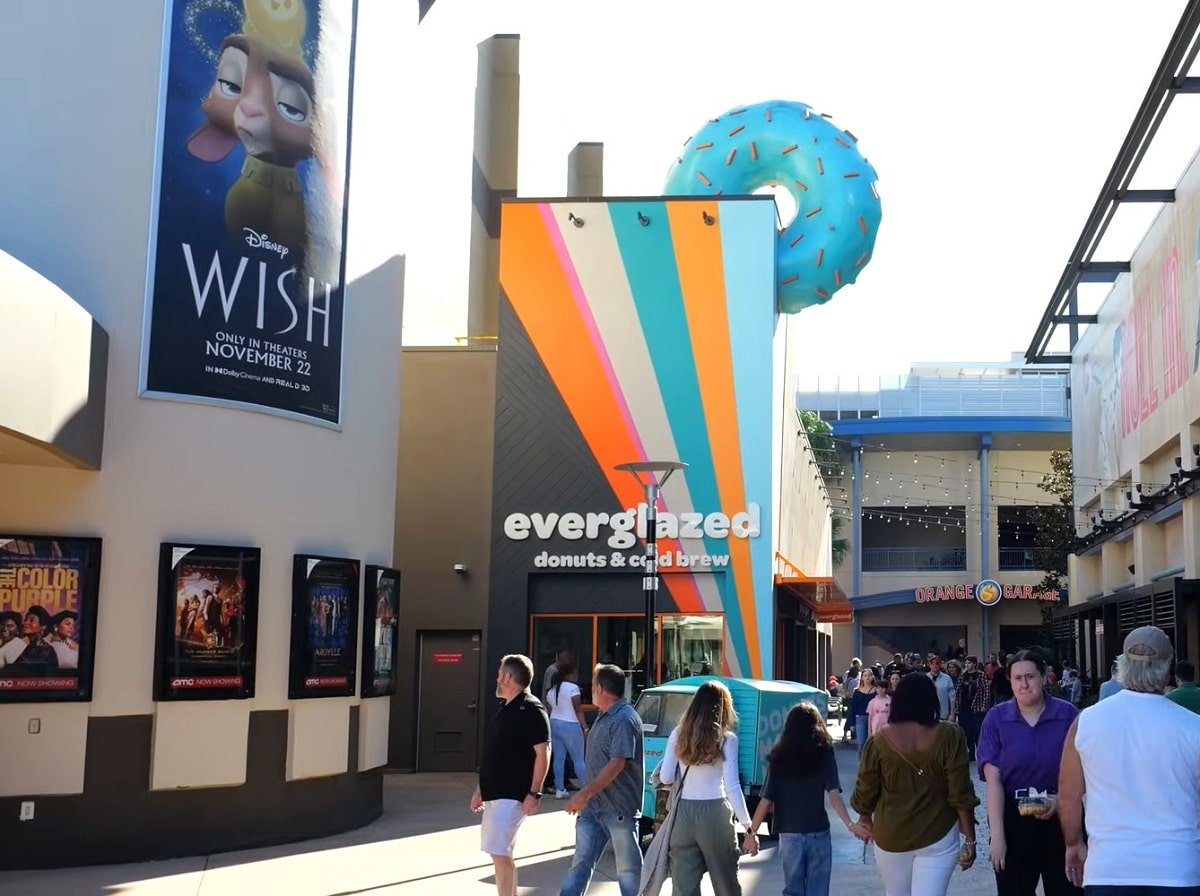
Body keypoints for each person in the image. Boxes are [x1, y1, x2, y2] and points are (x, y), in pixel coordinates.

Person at [1060, 626, 1200, 892]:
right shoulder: (1193, 726)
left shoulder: (1086, 721)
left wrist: (1073, 843)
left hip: (1109, 870)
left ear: (1122, 665)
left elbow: (1069, 797)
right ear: (1168, 667)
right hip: (1178, 867)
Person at [851, 673, 979, 896]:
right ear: (931, 700)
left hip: (891, 836)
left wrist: (864, 819)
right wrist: (970, 838)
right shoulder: (951, 735)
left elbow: (864, 792)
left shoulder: (878, 742)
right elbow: (960, 792)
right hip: (939, 834)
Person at [976, 651, 1080, 896]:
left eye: (1030, 676)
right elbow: (993, 780)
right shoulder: (996, 718)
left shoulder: (1067, 715)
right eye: (1017, 678)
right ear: (1009, 681)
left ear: (1044, 677)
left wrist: (1063, 801)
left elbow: (1085, 772)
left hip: (1062, 818)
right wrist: (997, 836)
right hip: (1015, 818)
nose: (1024, 684)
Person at [744, 702, 869, 896]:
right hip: (818, 831)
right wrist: (850, 825)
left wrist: (751, 833)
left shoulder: (779, 757)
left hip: (789, 833)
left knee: (793, 891)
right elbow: (834, 795)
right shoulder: (824, 753)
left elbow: (765, 801)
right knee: (818, 891)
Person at [657, 679, 752, 896]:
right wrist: (748, 827)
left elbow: (666, 777)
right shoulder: (727, 739)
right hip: (715, 813)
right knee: (726, 883)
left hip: (683, 814)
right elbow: (732, 786)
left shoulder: (677, 734)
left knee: (683, 887)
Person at [560, 663, 643, 896]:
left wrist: (583, 794)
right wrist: (587, 797)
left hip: (618, 809)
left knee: (628, 871)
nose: (590, 688)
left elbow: (617, 763)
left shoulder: (624, 719)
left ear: (601, 688)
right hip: (594, 808)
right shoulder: (604, 716)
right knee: (580, 865)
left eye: (593, 684)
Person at [471, 654, 551, 896]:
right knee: (498, 853)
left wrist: (534, 793)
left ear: (508, 677)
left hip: (513, 794)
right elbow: (494, 754)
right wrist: (480, 790)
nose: (496, 678)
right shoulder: (504, 708)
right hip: (495, 793)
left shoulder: (532, 709)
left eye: (499, 674)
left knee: (501, 852)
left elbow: (543, 753)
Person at [545, 662, 589, 799]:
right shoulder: (573, 688)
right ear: (569, 674)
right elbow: (578, 709)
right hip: (571, 725)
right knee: (578, 759)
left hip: (554, 723)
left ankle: (560, 789)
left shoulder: (552, 689)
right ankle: (586, 789)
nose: (576, 675)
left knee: (559, 758)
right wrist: (585, 727)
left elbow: (549, 706)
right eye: (575, 673)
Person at [954, 656, 985, 761]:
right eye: (966, 663)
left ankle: (980, 754)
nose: (967, 665)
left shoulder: (980, 675)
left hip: (976, 707)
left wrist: (984, 705)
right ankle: (971, 754)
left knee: (977, 732)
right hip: (964, 707)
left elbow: (986, 691)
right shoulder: (962, 676)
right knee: (967, 733)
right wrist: (957, 707)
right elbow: (957, 692)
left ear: (974, 664)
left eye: (969, 663)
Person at [848, 668, 876, 749]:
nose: (867, 677)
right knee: (861, 743)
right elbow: (852, 707)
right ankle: (861, 760)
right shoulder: (857, 691)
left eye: (869, 675)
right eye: (865, 676)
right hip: (860, 717)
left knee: (872, 742)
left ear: (873, 677)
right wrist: (851, 723)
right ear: (862, 678)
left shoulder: (877, 690)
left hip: (873, 718)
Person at [927, 654, 956, 721]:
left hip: (944, 715)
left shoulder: (947, 678)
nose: (934, 665)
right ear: (929, 665)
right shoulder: (925, 678)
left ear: (940, 664)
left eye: (937, 663)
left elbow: (952, 698)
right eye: (932, 663)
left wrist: (952, 714)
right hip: (929, 714)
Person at [867, 673, 892, 737]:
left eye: (882, 688)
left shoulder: (890, 701)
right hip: (876, 729)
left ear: (886, 689)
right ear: (876, 689)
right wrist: (869, 732)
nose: (880, 689)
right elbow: (870, 718)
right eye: (878, 688)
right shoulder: (872, 702)